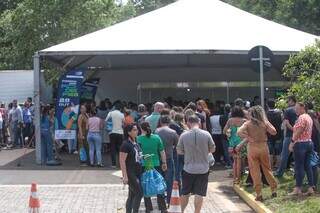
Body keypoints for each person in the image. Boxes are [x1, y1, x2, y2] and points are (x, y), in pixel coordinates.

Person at [237, 106, 278, 201]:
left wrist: (248, 137)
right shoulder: (264, 122)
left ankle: (259, 194)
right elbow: (274, 132)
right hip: (263, 146)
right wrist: (266, 122)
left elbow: (239, 132)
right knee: (267, 169)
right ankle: (273, 190)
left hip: (252, 147)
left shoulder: (247, 123)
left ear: (252, 114)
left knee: (254, 171)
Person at [177, 115, 215, 213]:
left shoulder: (184, 135)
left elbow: (179, 151)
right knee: (199, 193)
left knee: (185, 193)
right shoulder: (206, 134)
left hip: (188, 168)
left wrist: (188, 152)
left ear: (188, 123)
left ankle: (181, 211)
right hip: (203, 168)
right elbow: (213, 149)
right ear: (198, 122)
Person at [137, 122, 167, 213]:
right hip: (156, 164)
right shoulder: (156, 138)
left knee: (145, 186)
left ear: (141, 129)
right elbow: (162, 152)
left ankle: (148, 208)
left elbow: (138, 154)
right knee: (159, 185)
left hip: (144, 165)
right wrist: (164, 163)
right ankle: (163, 208)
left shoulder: (138, 139)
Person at [288, 102, 314, 196]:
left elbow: (299, 131)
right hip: (309, 142)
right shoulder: (308, 117)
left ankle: (298, 188)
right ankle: (311, 187)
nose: (295, 110)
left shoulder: (302, 117)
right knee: (308, 166)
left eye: (297, 108)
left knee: (299, 167)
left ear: (303, 107)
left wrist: (292, 142)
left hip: (300, 144)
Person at [119, 124, 143, 213]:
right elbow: (122, 161)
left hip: (137, 171)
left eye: (137, 129)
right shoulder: (125, 144)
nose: (136, 131)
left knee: (132, 195)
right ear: (129, 132)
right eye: (134, 130)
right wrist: (124, 176)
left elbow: (137, 156)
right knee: (139, 193)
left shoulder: (135, 142)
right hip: (130, 172)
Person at [155, 115, 179, 204]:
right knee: (169, 181)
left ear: (160, 122)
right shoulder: (173, 132)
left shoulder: (156, 131)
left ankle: (160, 201)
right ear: (169, 122)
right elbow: (178, 145)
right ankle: (169, 200)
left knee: (159, 180)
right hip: (169, 157)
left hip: (158, 158)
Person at [223, 106, 246, 184]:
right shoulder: (244, 121)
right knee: (240, 161)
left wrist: (229, 132)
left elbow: (224, 131)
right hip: (241, 143)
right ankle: (238, 179)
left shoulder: (230, 120)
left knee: (235, 161)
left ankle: (234, 178)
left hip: (232, 144)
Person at [276, 96, 297, 177]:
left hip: (289, 135)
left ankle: (280, 172)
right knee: (296, 156)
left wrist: (292, 130)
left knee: (285, 155)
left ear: (292, 101)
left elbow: (286, 123)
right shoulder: (300, 109)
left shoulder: (288, 110)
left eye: (288, 101)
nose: (287, 103)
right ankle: (296, 173)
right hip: (298, 136)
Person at [106, 101, 125, 168]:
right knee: (120, 148)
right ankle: (121, 163)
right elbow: (123, 124)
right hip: (120, 133)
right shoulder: (122, 114)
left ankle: (113, 164)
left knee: (113, 148)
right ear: (120, 109)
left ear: (114, 107)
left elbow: (106, 121)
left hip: (112, 133)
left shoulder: (110, 113)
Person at [266, 99, 283, 170]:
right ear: (275, 104)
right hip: (278, 134)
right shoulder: (280, 112)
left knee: (270, 152)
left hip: (269, 135)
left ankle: (271, 168)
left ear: (267, 105)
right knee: (278, 152)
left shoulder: (266, 114)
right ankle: (278, 168)